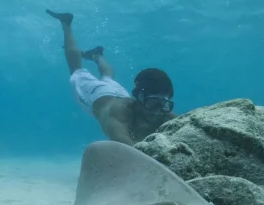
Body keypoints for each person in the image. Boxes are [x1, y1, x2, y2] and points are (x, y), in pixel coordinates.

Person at [46, 9, 177, 145]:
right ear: (139, 98)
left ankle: (97, 56)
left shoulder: (162, 112)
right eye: (153, 104)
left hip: (118, 94)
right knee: (76, 70)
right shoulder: (117, 112)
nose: (158, 112)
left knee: (107, 77)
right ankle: (66, 24)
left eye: (164, 105)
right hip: (94, 93)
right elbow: (124, 144)